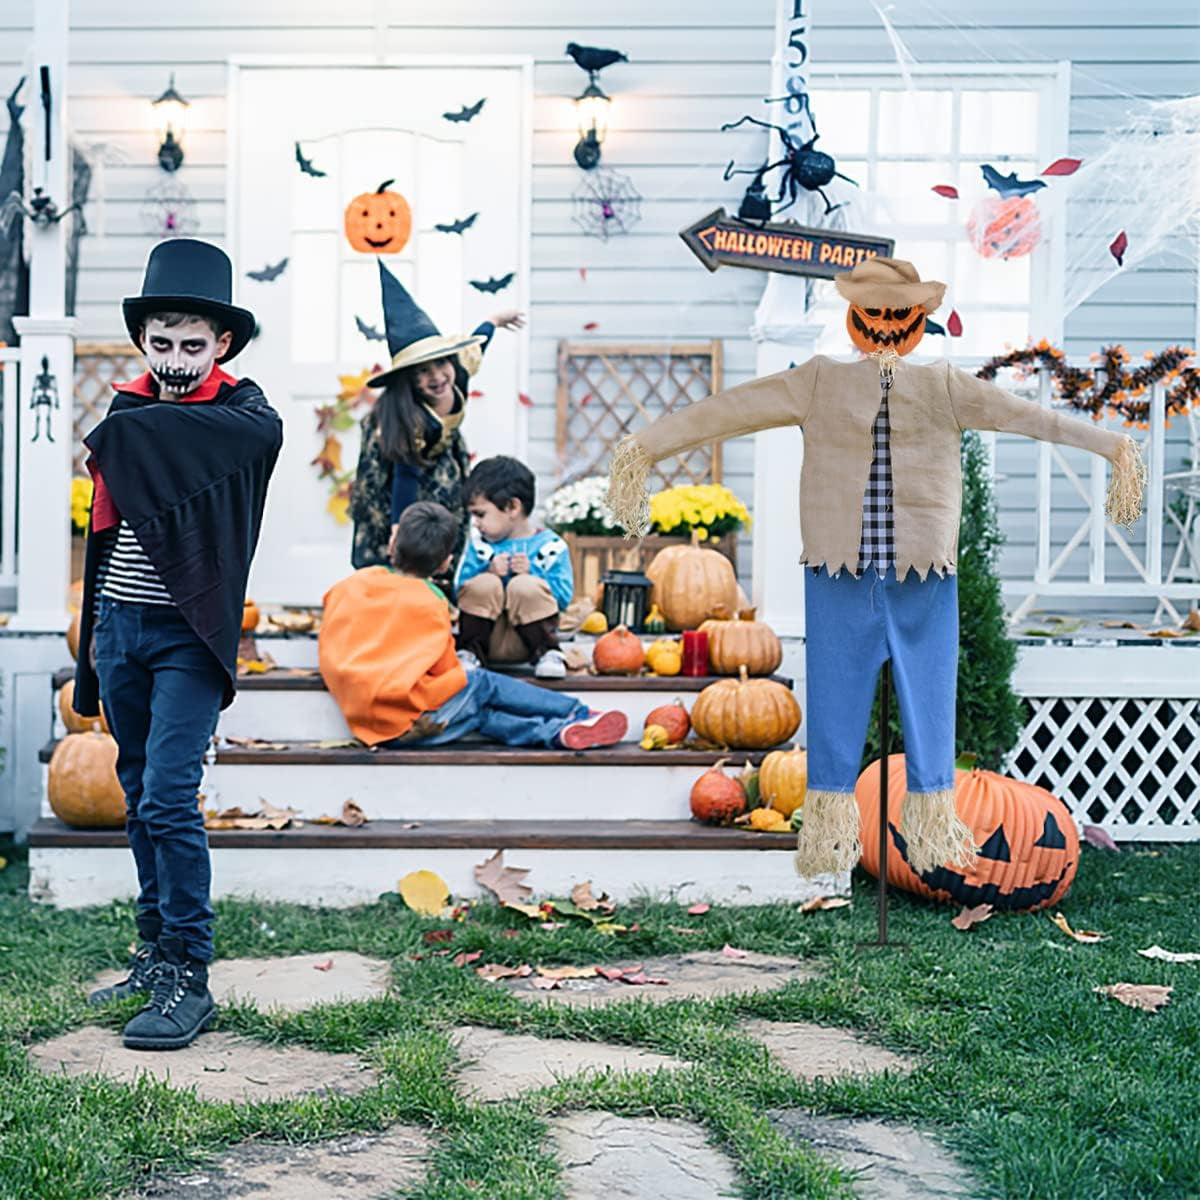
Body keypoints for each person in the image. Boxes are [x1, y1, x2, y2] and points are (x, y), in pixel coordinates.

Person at [606, 257, 1144, 879]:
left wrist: (1112, 447)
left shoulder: (944, 383)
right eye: (876, 314)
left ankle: (933, 816)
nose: (886, 325)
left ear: (917, 321)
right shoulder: (818, 381)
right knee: (834, 697)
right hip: (840, 571)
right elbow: (732, 410)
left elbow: (1026, 415)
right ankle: (832, 824)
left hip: (922, 574)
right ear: (856, 318)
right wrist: (644, 449)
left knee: (932, 695)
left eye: (899, 314)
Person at [74, 238, 283, 1049]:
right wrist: (95, 632)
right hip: (121, 625)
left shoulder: (246, 420)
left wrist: (125, 430)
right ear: (144, 342)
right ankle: (155, 951)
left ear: (222, 344)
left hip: (189, 637)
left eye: (192, 345)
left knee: (168, 794)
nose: (174, 360)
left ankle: (190, 973)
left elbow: (192, 442)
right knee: (135, 792)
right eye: (160, 345)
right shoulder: (132, 416)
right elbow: (107, 523)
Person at [319, 501, 626, 750]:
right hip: (410, 718)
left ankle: (560, 733)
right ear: (445, 563)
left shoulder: (349, 586)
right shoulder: (430, 602)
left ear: (392, 544)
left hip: (364, 717)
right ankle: (577, 711)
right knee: (481, 684)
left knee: (482, 715)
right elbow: (445, 668)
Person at [349, 261, 524, 584]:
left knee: (446, 521)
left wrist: (495, 320)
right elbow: (405, 476)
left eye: (441, 364)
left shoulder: (455, 375)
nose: (436, 377)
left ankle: (443, 582)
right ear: (409, 382)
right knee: (411, 546)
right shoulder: (409, 418)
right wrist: (399, 529)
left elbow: (479, 342)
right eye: (422, 372)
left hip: (442, 459)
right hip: (402, 469)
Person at [454, 456, 573, 680]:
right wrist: (486, 572)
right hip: (488, 640)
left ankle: (548, 653)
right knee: (484, 584)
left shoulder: (550, 546)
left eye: (480, 514)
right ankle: (468, 653)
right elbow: (458, 590)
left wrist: (533, 574)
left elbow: (564, 598)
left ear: (512, 507)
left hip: (527, 643)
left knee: (524, 585)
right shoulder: (479, 547)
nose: (476, 523)